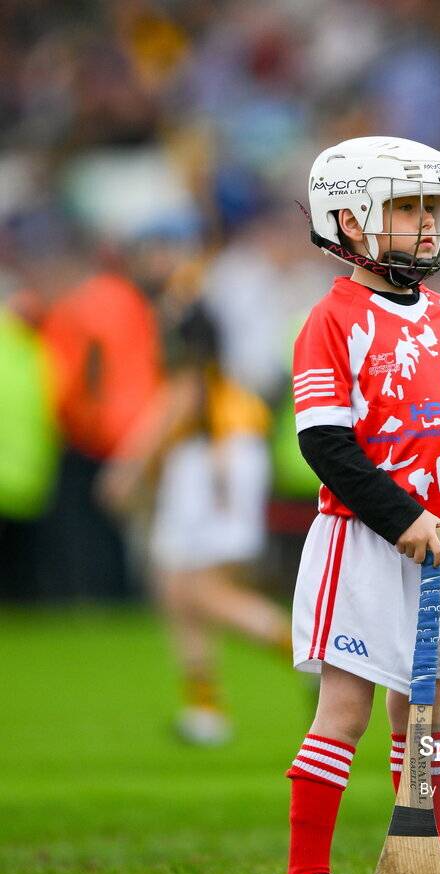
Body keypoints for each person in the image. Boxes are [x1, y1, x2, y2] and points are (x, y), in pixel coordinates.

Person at [271, 136, 440, 874]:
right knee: (345, 710)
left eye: (431, 209)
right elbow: (324, 441)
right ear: (347, 221)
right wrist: (399, 515)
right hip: (364, 542)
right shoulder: (333, 320)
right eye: (406, 208)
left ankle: (429, 863)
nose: (423, 225)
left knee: (426, 713)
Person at [98, 251, 293, 745]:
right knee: (179, 592)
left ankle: (308, 653)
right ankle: (204, 708)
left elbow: (179, 400)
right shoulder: (221, 363)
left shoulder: (189, 348)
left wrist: (127, 470)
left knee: (197, 590)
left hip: (209, 461)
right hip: (221, 456)